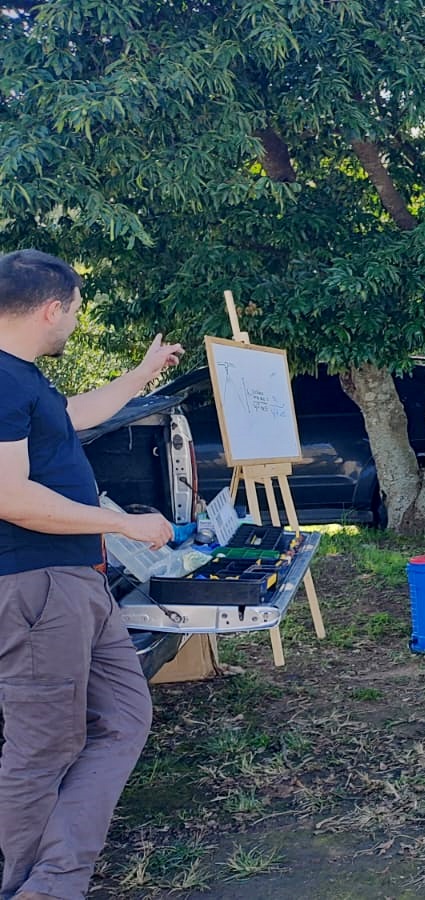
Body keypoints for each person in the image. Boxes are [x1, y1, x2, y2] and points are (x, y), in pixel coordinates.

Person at [0, 249, 184, 900]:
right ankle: (33, 887)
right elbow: (9, 496)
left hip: (76, 580)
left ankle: (54, 877)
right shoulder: (2, 380)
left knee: (124, 719)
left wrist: (142, 373)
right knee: (42, 748)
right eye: (76, 311)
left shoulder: (23, 379)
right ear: (52, 309)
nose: (76, 323)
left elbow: (76, 415)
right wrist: (123, 524)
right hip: (39, 584)